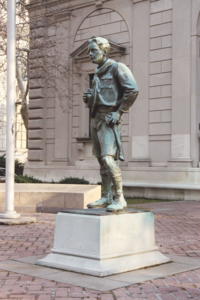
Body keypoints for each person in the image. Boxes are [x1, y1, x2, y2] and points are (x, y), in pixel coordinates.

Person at [83, 37, 139, 212]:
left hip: (109, 119)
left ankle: (119, 197)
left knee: (108, 159)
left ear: (104, 51)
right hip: (96, 119)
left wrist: (119, 112)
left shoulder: (116, 68)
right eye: (90, 51)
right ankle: (106, 196)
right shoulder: (98, 71)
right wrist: (88, 98)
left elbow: (132, 89)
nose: (90, 54)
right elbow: (101, 96)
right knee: (101, 160)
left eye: (94, 50)